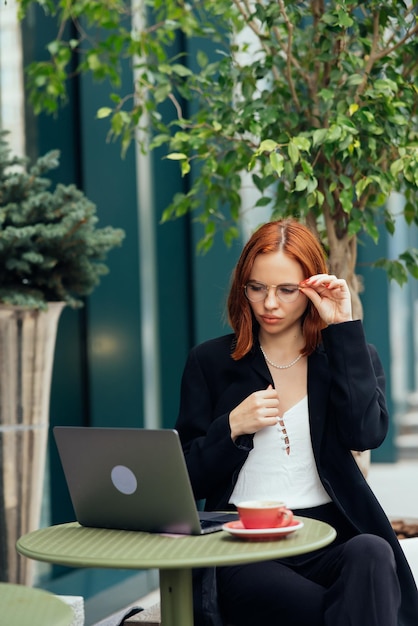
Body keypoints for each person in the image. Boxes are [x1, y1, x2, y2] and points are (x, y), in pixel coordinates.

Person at [175, 219, 418, 626]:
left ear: (311, 288)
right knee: (345, 609)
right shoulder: (210, 362)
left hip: (328, 536)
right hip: (242, 543)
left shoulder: (348, 355)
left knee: (373, 553)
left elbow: (367, 433)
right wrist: (231, 427)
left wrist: (342, 327)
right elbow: (184, 480)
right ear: (243, 288)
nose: (270, 303)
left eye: (286, 290)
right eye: (257, 288)